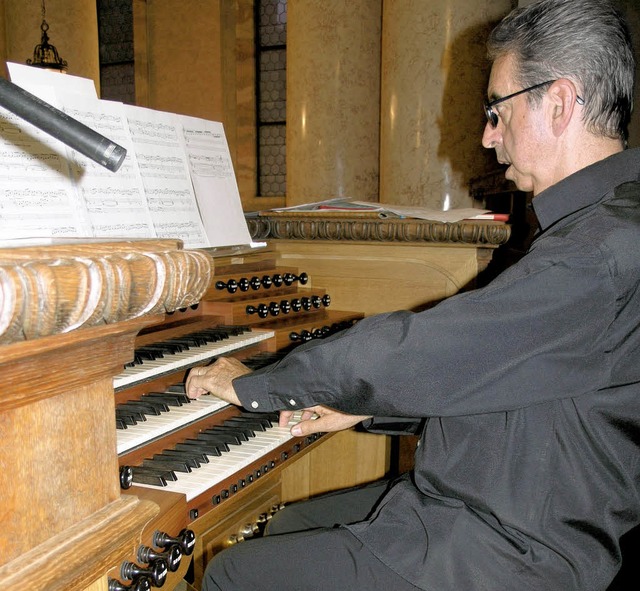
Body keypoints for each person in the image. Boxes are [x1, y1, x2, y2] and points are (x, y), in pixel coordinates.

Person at [186, 0, 640, 589]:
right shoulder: (604, 225)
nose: (486, 134)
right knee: (286, 524)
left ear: (556, 103)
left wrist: (255, 384)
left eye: (496, 110)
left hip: (512, 547)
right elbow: (516, 368)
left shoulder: (599, 252)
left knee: (234, 575)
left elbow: (430, 348)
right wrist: (370, 404)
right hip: (516, 503)